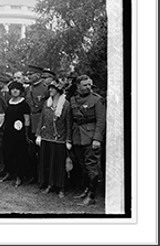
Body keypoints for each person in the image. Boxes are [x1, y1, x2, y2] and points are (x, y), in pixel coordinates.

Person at [70, 74, 107, 205]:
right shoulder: (73, 100)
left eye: (90, 84)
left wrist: (97, 139)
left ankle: (91, 196)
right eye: (85, 85)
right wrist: (70, 139)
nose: (88, 87)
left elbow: (101, 121)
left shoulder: (97, 100)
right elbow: (71, 120)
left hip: (91, 137)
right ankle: (86, 190)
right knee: (82, 165)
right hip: (77, 136)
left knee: (91, 166)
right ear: (78, 86)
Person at [36, 79, 73, 198]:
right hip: (46, 137)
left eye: (52, 88)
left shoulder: (66, 104)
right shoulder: (47, 103)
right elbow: (41, 119)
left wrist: (68, 140)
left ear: (58, 90)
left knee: (59, 164)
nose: (50, 90)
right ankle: (50, 184)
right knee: (48, 162)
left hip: (60, 138)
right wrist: (38, 135)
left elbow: (68, 123)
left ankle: (61, 187)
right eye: (49, 88)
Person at [1, 81, 32, 187]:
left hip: (20, 133)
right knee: (8, 152)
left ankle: (19, 177)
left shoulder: (24, 104)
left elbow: (27, 120)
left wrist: (26, 133)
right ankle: (9, 173)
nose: (15, 91)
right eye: (13, 89)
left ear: (21, 91)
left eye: (17, 89)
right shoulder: (8, 102)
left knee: (19, 154)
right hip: (9, 132)